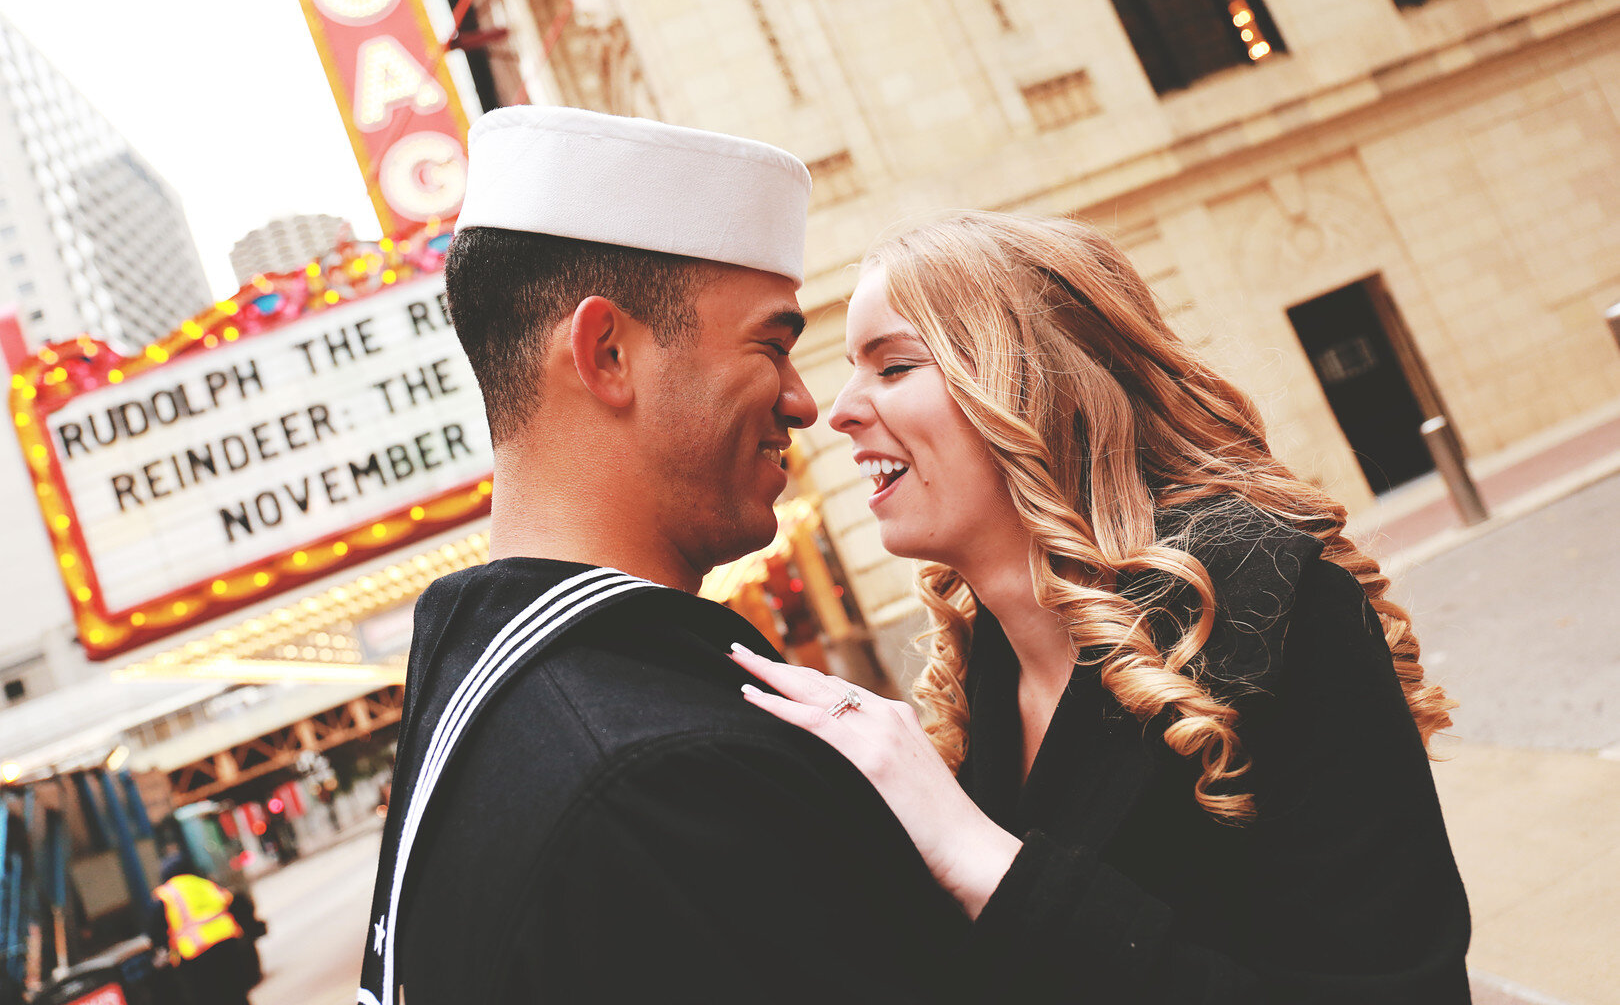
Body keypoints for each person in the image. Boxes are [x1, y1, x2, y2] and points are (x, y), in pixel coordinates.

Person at [731, 211, 1472, 1003]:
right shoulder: (982, 664)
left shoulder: (1273, 604)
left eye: (895, 365)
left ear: (1035, 388)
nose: (835, 409)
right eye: (851, 367)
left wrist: (980, 858)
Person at [356, 107, 969, 1005]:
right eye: (772, 342)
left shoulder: (482, 703)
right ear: (608, 352)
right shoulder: (670, 778)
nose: (807, 404)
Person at [147, 852, 251, 1005]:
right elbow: (234, 902)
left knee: (209, 999)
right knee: (236, 994)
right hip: (228, 945)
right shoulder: (205, 884)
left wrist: (165, 949)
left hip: (197, 955)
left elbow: (155, 931)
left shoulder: (166, 895)